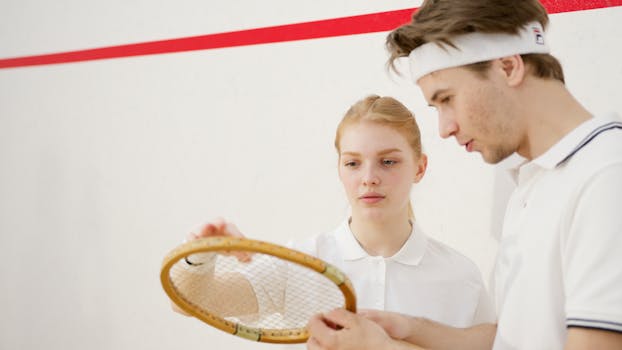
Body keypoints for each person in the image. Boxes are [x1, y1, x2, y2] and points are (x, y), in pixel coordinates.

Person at [306, 1, 622, 349]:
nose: (444, 128)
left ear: (507, 67)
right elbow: (511, 340)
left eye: (448, 99)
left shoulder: (607, 175)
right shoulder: (532, 183)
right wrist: (410, 328)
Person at [174, 95, 495, 333]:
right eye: (353, 163)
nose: (369, 177)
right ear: (340, 169)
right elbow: (188, 302)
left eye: (388, 161)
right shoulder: (301, 260)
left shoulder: (460, 276)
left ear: (420, 168)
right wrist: (201, 254)